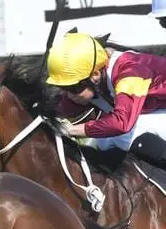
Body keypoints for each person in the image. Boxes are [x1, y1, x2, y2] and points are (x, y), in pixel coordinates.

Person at [45, 32, 166, 166]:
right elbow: (60, 109)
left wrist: (72, 130)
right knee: (104, 139)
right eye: (63, 88)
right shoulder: (90, 80)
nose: (69, 95)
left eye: (73, 88)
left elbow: (122, 123)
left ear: (95, 75)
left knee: (120, 134)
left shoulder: (129, 72)